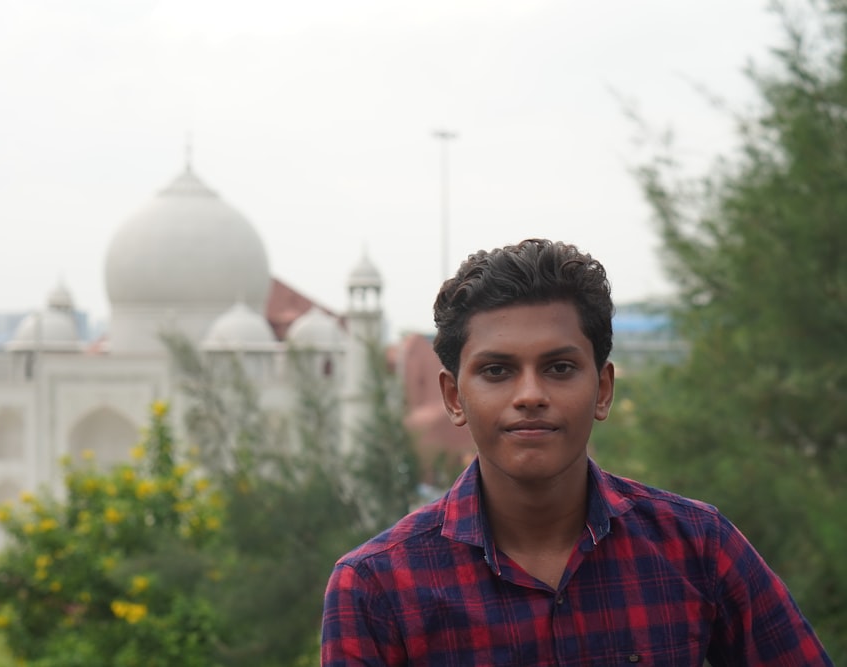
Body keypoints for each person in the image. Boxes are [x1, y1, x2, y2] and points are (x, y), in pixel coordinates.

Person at [321, 239, 833, 666]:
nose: (530, 395)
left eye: (560, 367)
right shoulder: (377, 589)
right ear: (455, 397)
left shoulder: (696, 548)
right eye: (496, 370)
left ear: (603, 388)